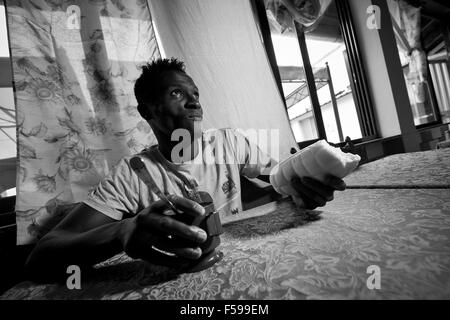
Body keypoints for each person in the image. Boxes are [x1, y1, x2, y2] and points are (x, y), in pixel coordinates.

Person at [25, 58, 346, 281]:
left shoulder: (230, 141)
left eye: (195, 94)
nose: (194, 102)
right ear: (147, 110)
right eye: (177, 93)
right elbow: (42, 256)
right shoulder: (131, 174)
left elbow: (279, 185)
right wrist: (123, 230)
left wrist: (302, 189)